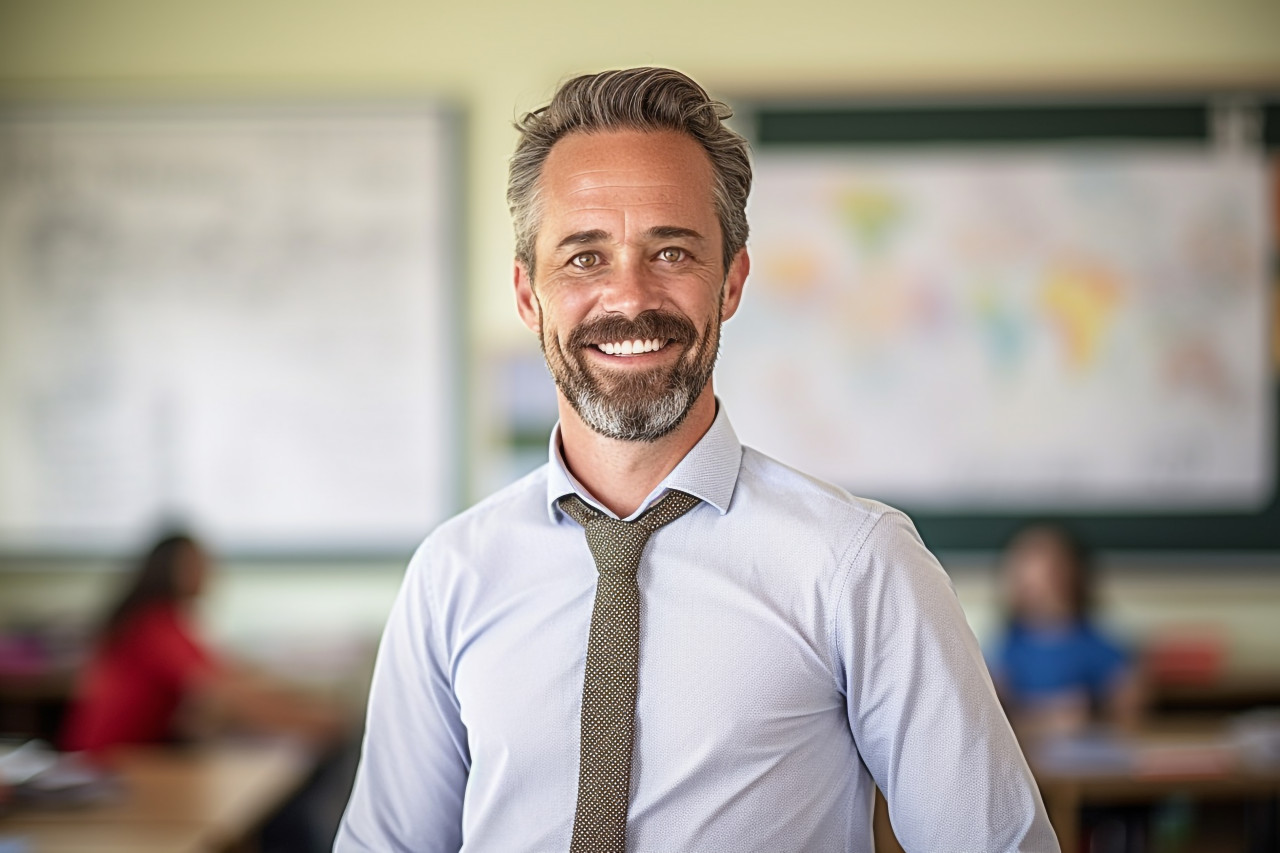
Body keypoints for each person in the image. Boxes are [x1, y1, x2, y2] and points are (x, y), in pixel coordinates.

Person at [336, 67, 1058, 852]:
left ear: (732, 282)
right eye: (584, 257)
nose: (629, 297)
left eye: (672, 251)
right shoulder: (451, 575)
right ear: (526, 295)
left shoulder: (859, 565)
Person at [62, 532, 344, 757]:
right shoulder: (157, 625)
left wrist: (304, 706)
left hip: (134, 757)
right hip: (110, 764)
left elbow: (233, 677)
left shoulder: (160, 619)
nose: (209, 573)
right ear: (172, 569)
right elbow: (225, 692)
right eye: (198, 564)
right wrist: (317, 723)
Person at [990, 523, 1143, 737]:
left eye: (1051, 572)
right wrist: (1048, 720)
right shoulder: (1003, 649)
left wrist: (1094, 714)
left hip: (1086, 747)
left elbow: (1128, 710)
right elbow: (995, 717)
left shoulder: (1099, 646)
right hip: (1027, 749)